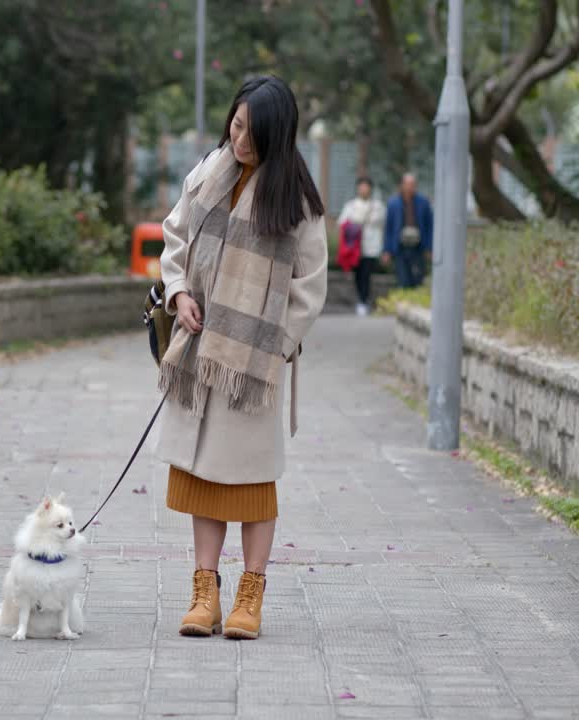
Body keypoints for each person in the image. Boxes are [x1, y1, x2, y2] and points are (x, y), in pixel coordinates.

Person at [155, 75, 328, 641]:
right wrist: (180, 293)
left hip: (252, 367)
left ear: (278, 136)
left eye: (253, 133)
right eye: (236, 125)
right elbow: (175, 236)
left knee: (252, 484)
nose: (241, 140)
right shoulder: (210, 170)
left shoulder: (297, 199)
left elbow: (310, 286)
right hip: (202, 352)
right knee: (204, 476)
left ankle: (250, 596)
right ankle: (204, 592)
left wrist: (271, 349)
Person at [336, 176, 386, 315]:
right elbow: (342, 223)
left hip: (371, 247)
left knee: (367, 274)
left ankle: (364, 301)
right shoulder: (351, 206)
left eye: (366, 186)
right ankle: (361, 300)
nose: (364, 189)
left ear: (370, 189)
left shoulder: (378, 206)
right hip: (355, 248)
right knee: (358, 275)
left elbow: (381, 225)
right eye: (361, 186)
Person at [382, 173, 433, 288]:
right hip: (400, 247)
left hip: (418, 247)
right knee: (402, 279)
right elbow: (388, 228)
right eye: (408, 184)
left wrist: (429, 248)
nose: (410, 187)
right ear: (402, 185)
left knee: (418, 279)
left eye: (413, 184)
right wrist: (387, 250)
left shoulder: (423, 203)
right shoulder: (393, 203)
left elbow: (430, 227)